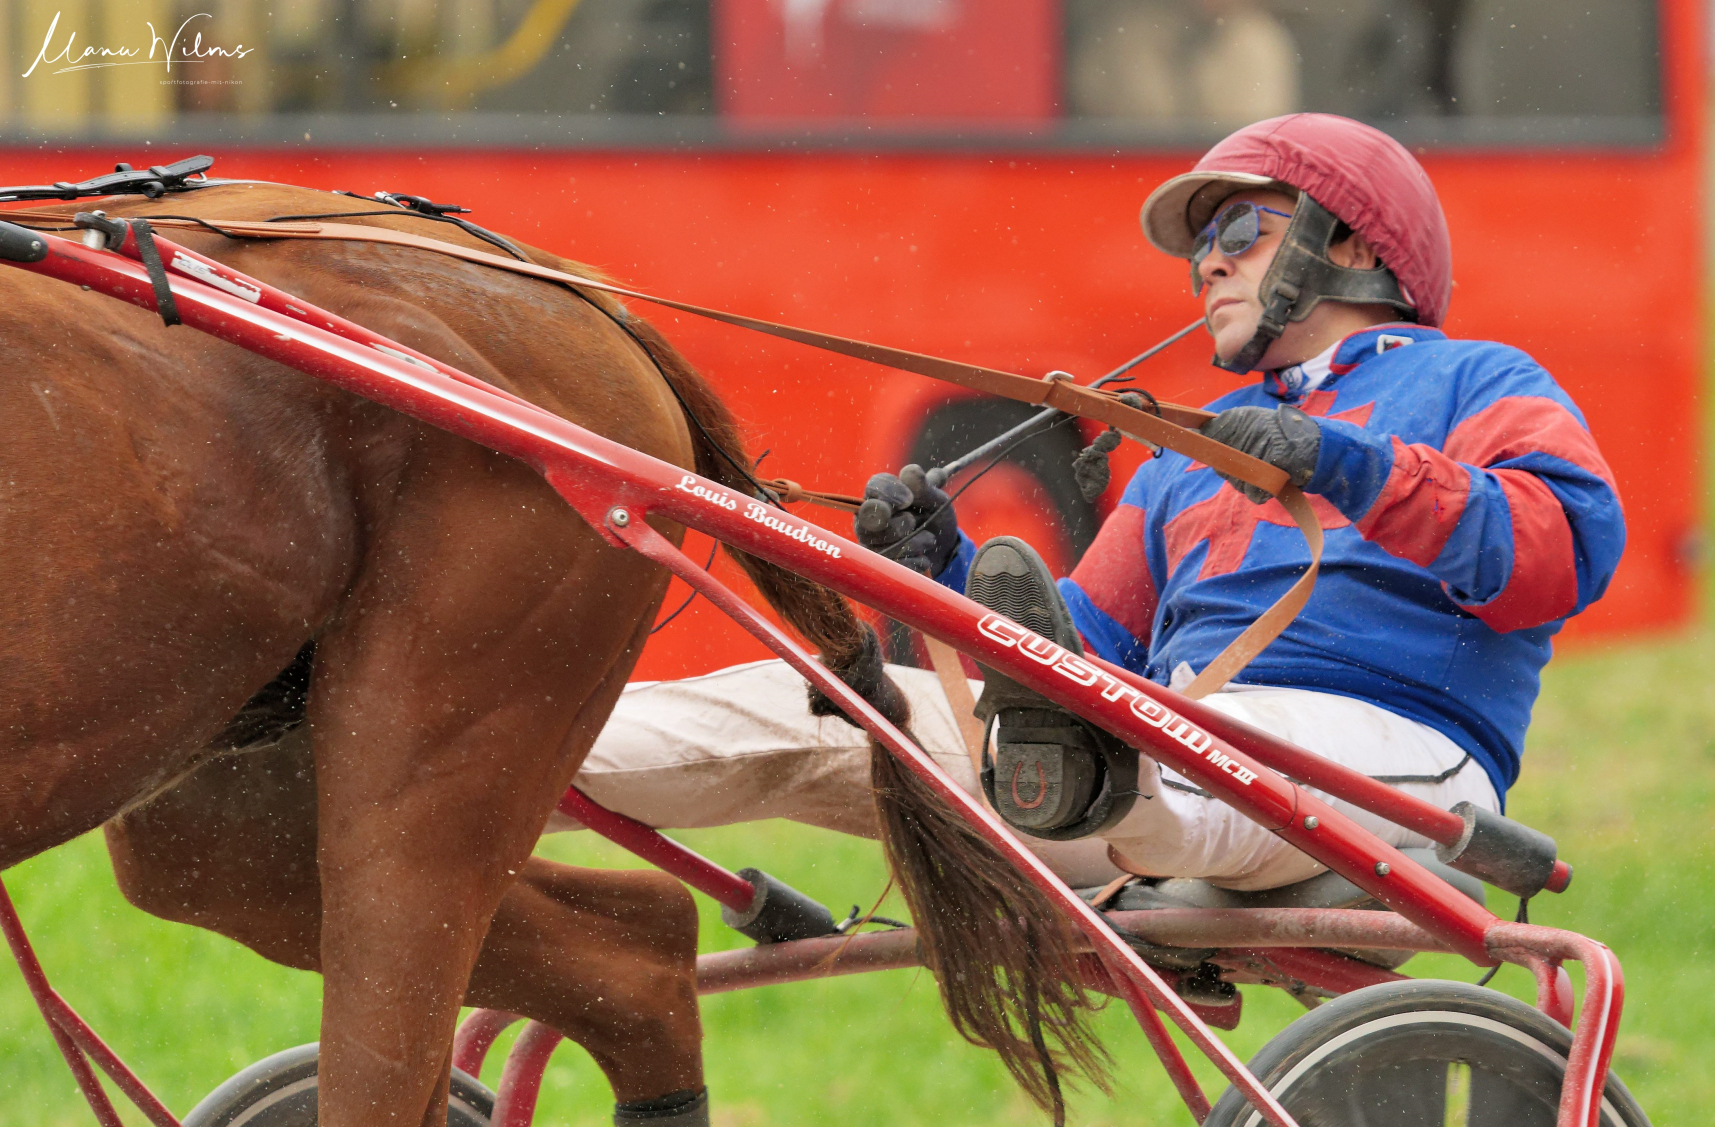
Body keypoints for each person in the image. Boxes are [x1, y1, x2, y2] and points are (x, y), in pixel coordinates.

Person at [554, 112, 1625, 894]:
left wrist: (1340, 463)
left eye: (1237, 234)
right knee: (822, 705)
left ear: (1344, 242)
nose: (1205, 268)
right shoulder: (1188, 458)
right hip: (1160, 743)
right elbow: (1088, 651)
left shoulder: (1479, 381)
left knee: (1136, 740)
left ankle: (1101, 774)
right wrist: (944, 577)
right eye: (1198, 250)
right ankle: (507, 763)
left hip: (1391, 761)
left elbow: (1563, 555)